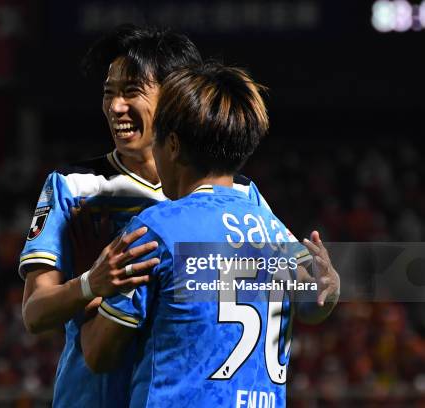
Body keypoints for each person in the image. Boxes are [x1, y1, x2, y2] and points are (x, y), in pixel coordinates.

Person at [19, 25, 311, 407]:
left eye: (131, 92)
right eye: (109, 94)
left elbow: (304, 285)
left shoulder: (238, 195)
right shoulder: (73, 188)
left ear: (176, 96)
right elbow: (34, 313)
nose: (115, 107)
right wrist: (92, 283)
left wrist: (324, 280)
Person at [80, 62, 340, 407]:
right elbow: (316, 304)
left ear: (172, 145)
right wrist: (332, 286)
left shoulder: (157, 228)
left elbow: (99, 355)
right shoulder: (273, 227)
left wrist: (87, 287)